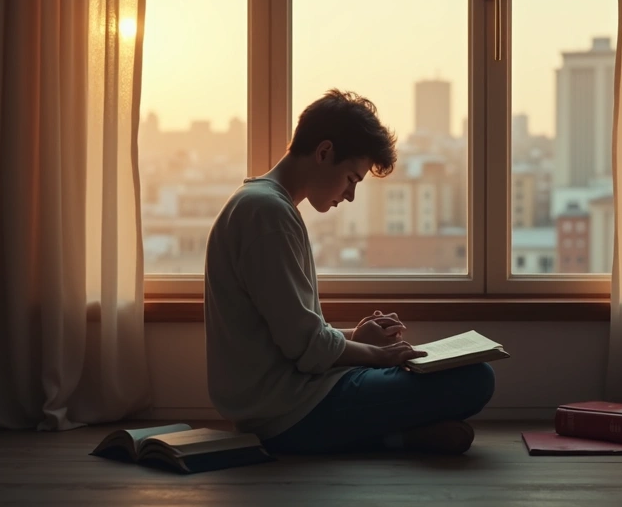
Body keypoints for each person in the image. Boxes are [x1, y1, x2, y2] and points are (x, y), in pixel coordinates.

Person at [204, 89, 495, 455]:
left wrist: (357, 337)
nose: (351, 196)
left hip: (294, 394)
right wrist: (377, 355)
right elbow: (307, 349)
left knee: (445, 373)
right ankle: (387, 439)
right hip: (289, 411)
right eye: (352, 179)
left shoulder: (262, 205)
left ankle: (392, 437)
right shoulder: (269, 216)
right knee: (475, 378)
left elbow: (293, 334)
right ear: (324, 152)